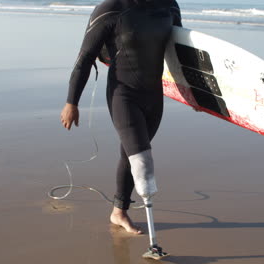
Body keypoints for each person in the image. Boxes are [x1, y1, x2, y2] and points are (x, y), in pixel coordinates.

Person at [60, 0, 182, 235]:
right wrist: (71, 102)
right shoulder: (112, 8)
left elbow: (179, 54)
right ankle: (153, 243)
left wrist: (195, 97)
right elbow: (85, 57)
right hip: (123, 94)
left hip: (155, 97)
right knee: (141, 159)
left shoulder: (169, 6)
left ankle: (118, 211)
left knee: (131, 153)